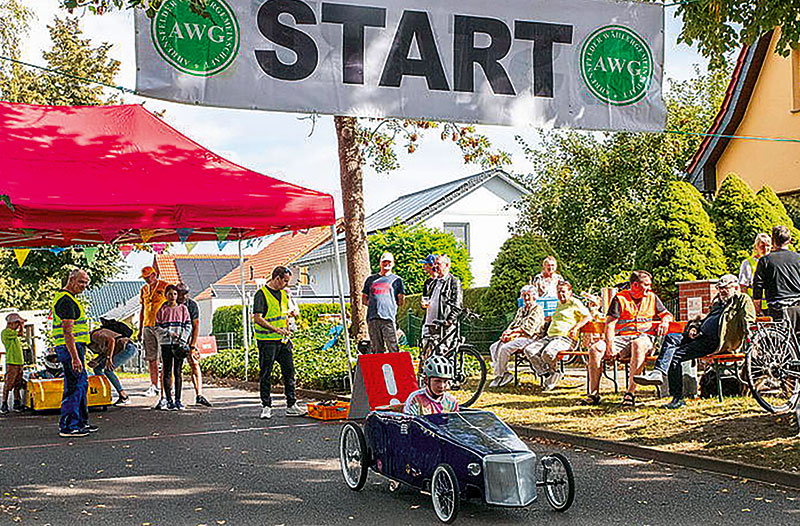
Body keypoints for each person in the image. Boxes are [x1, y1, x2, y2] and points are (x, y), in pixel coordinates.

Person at [635, 274, 755, 409]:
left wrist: (749, 337)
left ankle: (677, 399)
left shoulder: (741, 299)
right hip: (700, 336)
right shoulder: (718, 303)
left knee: (676, 356)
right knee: (671, 337)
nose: (722, 291)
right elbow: (704, 319)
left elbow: (749, 319)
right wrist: (694, 327)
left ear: (736, 287)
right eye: (720, 288)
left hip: (716, 342)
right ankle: (658, 372)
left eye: (725, 288)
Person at [582, 270, 673, 407]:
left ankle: (630, 393)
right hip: (622, 338)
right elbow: (610, 324)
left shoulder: (652, 297)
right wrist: (610, 345)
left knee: (638, 344)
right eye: (646, 285)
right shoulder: (620, 298)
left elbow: (666, 314)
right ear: (635, 285)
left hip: (644, 338)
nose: (649, 288)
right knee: (595, 349)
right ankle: (593, 394)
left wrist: (665, 321)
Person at [253, 266, 304, 419]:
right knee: (266, 373)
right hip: (267, 341)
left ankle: (291, 404)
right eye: (285, 281)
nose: (286, 284)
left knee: (289, 372)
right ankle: (266, 406)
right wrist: (276, 329)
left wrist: (289, 321)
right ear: (277, 278)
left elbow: (282, 314)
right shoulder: (261, 294)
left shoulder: (283, 294)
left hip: (283, 340)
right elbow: (257, 317)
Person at [53, 269, 97, 437]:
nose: (84, 286)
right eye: (81, 282)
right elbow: (67, 332)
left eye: (86, 283)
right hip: (70, 348)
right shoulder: (66, 301)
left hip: (74, 347)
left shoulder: (69, 299)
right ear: (71, 280)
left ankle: (80, 422)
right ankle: (69, 426)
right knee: (74, 386)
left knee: (81, 384)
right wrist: (75, 357)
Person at [525, 281, 593, 391]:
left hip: (565, 338)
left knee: (547, 353)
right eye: (558, 292)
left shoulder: (574, 302)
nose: (561, 294)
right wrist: (550, 318)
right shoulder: (559, 304)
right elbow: (562, 317)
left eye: (563, 292)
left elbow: (588, 317)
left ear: (570, 292)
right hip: (550, 337)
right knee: (529, 350)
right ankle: (550, 374)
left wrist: (576, 328)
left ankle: (553, 374)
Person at [488, 285, 545, 388]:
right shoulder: (521, 310)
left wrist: (512, 333)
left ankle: (499, 375)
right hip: (517, 337)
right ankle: (505, 374)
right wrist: (506, 333)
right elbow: (514, 323)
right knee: (494, 347)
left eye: (528, 295)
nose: (526, 298)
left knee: (505, 348)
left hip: (531, 339)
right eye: (524, 296)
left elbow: (528, 328)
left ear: (534, 296)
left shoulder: (537, 309)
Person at [155, 285, 192, 411]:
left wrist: (183, 339)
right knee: (167, 372)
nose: (172, 296)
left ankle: (178, 400)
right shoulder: (162, 310)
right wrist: (168, 333)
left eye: (175, 294)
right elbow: (157, 327)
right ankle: (169, 400)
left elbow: (188, 325)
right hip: (166, 344)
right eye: (170, 294)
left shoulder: (183, 309)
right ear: (166, 295)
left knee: (178, 372)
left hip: (179, 345)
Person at [753, 225, 800, 320]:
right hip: (798, 305)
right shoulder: (798, 258)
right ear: (789, 240)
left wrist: (757, 310)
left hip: (777, 308)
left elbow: (758, 286)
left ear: (772, 240)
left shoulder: (765, 260)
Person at [176, 282, 212, 407]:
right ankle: (173, 398)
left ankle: (199, 395)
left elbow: (196, 326)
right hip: (174, 339)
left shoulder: (192, 305)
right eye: (180, 295)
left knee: (194, 364)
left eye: (184, 294)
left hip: (189, 338)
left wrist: (192, 346)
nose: (182, 297)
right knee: (175, 368)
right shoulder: (171, 304)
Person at [361, 252, 406, 353]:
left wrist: (388, 305)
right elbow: (364, 298)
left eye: (389, 261)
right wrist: (375, 305)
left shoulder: (397, 280)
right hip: (373, 318)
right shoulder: (370, 279)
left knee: (393, 347)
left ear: (393, 263)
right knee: (377, 348)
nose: (386, 263)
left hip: (388, 318)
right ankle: (379, 368)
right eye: (384, 261)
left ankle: (395, 367)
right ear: (380, 263)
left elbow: (401, 300)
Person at [87, 322, 137, 406]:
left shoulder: (94, 335)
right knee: (97, 368)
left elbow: (112, 340)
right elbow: (106, 350)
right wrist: (96, 360)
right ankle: (103, 393)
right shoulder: (90, 341)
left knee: (108, 370)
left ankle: (124, 396)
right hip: (120, 349)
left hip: (127, 348)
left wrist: (108, 359)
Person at [138, 266, 168, 398]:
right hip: (147, 326)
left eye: (148, 277)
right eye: (144, 278)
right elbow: (142, 309)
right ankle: (154, 386)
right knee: (151, 358)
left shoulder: (166, 286)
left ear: (154, 274)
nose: (146, 280)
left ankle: (167, 386)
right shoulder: (144, 289)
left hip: (162, 326)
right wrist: (140, 329)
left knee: (165, 358)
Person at [422, 254, 463, 341]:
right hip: (430, 323)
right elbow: (429, 300)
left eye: (438, 264)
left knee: (443, 352)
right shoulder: (434, 282)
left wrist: (449, 321)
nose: (435, 266)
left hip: (443, 325)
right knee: (427, 352)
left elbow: (457, 305)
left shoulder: (454, 282)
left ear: (447, 265)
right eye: (435, 264)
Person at [1, 313, 26, 413]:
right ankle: (4, 403)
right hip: (12, 362)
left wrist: (20, 323)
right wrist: (22, 325)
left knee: (18, 384)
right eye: (16, 323)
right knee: (9, 383)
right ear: (11, 323)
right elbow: (21, 333)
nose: (17, 325)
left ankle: (16, 403)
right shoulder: (6, 332)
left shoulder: (12, 333)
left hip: (19, 361)